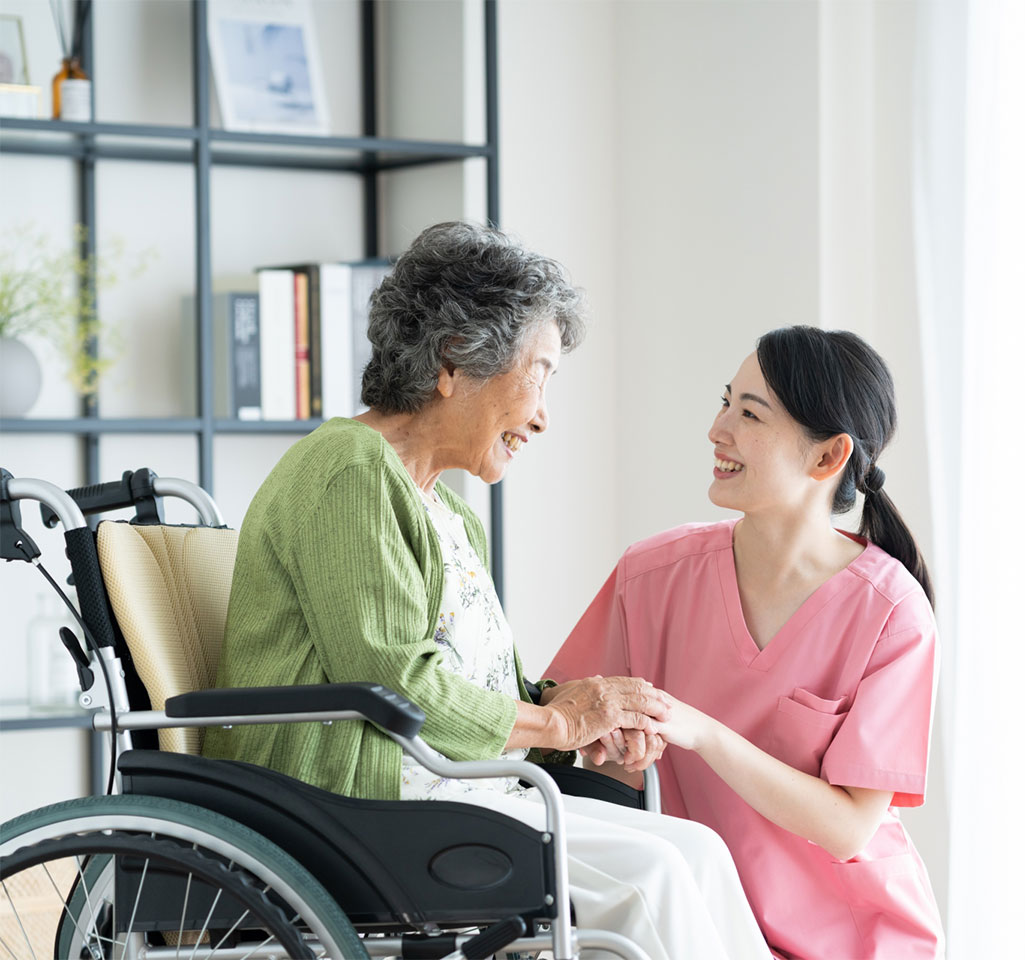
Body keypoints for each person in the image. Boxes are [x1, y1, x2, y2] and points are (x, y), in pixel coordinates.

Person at [204, 222, 770, 960]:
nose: (543, 415)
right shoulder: (349, 470)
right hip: (354, 808)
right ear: (452, 361)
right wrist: (557, 725)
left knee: (697, 851)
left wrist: (575, 721)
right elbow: (400, 685)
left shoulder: (447, 510)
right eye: (539, 373)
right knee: (653, 877)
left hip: (452, 794)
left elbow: (477, 690)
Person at [545, 326, 946, 959]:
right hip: (689, 921)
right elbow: (567, 718)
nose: (717, 429)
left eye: (750, 414)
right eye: (725, 402)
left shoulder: (892, 614)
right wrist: (612, 736)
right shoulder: (651, 576)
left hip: (851, 942)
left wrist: (701, 732)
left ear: (827, 457)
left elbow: (848, 827)